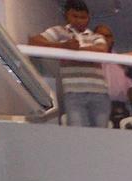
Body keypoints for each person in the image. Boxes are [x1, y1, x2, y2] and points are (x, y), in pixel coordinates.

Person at [28, 0, 110, 128]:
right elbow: (34, 41)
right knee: (77, 134)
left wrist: (72, 51)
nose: (79, 20)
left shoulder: (96, 36)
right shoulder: (59, 31)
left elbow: (101, 49)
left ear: (88, 18)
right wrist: (62, 46)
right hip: (73, 92)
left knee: (101, 133)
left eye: (83, 17)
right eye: (75, 16)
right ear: (67, 16)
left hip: (99, 92)